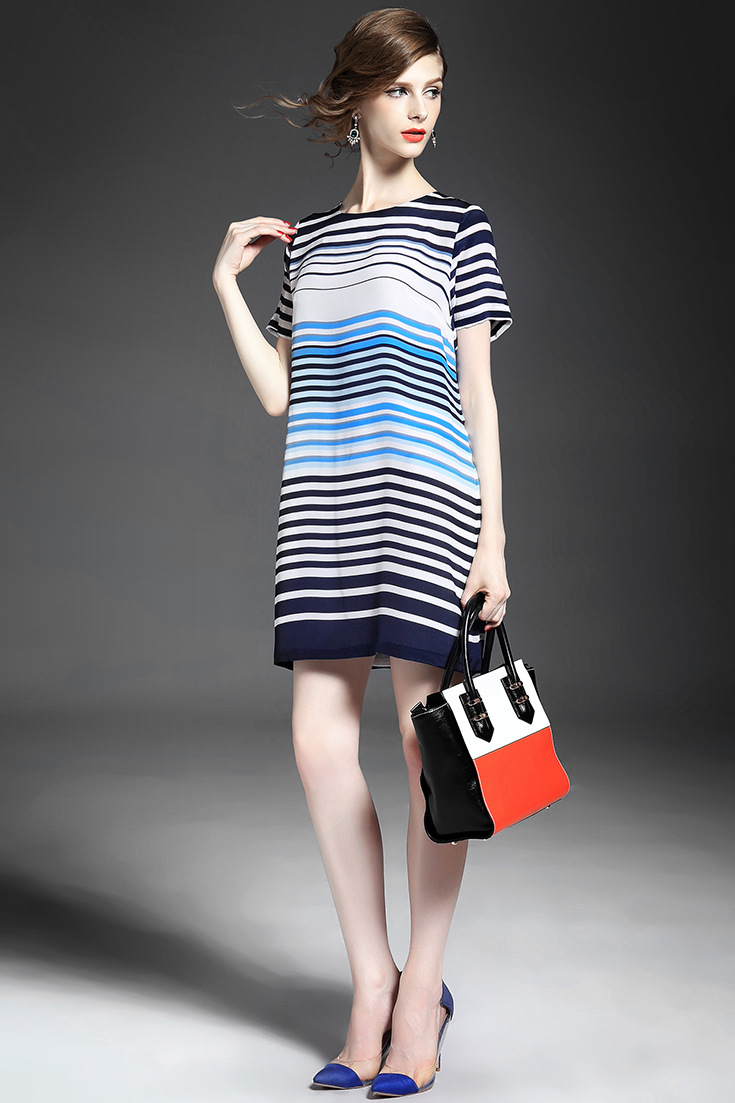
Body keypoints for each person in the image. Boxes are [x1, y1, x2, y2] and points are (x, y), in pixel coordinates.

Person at [212, 9, 512, 1095]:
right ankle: (371, 980)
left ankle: (421, 985)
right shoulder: (314, 240)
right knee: (317, 745)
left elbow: (477, 396)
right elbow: (283, 395)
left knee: (434, 752)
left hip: (430, 506)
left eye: (434, 89)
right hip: (324, 511)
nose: (421, 110)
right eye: (400, 90)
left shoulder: (460, 228)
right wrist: (226, 286)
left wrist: (494, 537)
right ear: (353, 101)